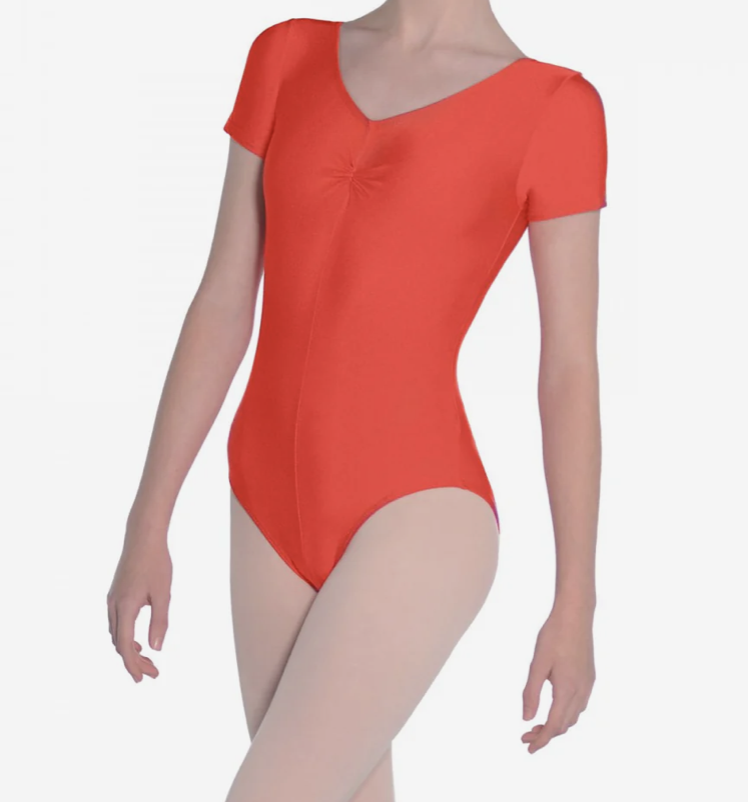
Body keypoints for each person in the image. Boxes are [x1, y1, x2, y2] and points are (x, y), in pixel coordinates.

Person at [107, 0, 607, 797]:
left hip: (420, 509)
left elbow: (569, 369)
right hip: (264, 504)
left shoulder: (556, 108)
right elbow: (224, 298)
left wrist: (574, 599)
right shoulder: (284, 55)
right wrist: (148, 519)